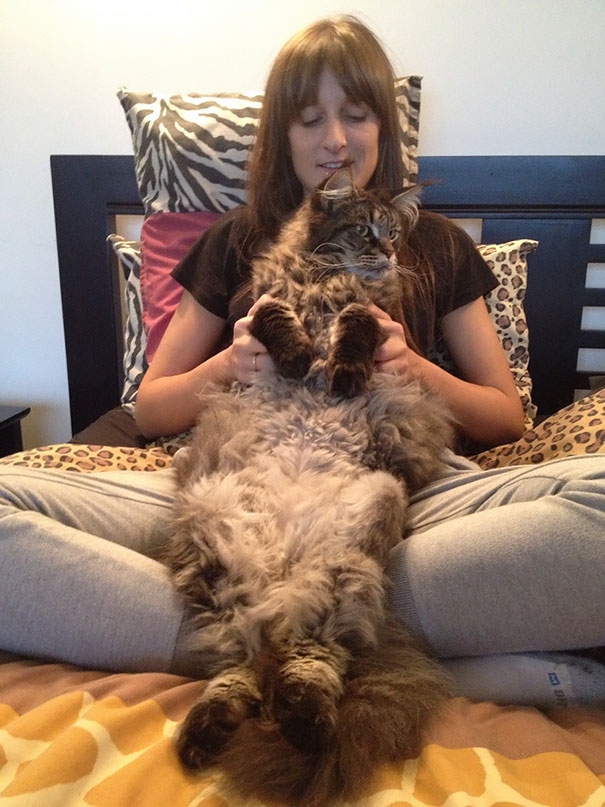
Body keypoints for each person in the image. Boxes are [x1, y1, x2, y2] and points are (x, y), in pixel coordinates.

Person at [0, 16, 603, 702]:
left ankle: (263, 629)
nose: (336, 139)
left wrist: (417, 370)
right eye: (310, 118)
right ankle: (326, 637)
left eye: (355, 114)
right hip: (230, 490)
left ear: (384, 126)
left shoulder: (433, 243)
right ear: (280, 132)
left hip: (396, 499)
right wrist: (231, 364)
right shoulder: (235, 239)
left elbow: (507, 419)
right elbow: (150, 406)